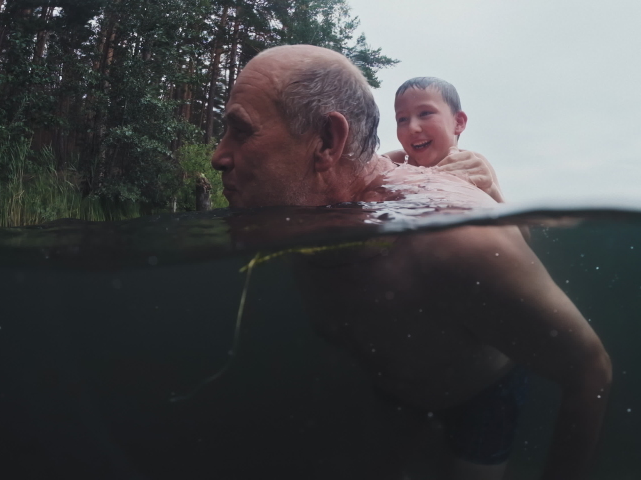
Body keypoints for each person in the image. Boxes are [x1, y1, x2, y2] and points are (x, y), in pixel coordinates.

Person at [211, 44, 611, 480]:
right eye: (402, 119)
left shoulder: (456, 237)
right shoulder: (311, 204)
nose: (217, 156)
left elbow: (590, 370)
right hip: (395, 389)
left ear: (326, 141)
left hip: (483, 390)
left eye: (241, 131)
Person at [384, 77, 506, 203]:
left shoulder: (473, 164)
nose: (412, 128)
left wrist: (490, 190)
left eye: (425, 113)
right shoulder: (391, 164)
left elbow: (510, 219)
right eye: (402, 119)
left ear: (458, 122)